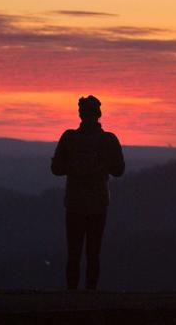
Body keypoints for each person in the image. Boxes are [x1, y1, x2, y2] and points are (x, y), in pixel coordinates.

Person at [51, 95, 125, 290]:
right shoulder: (108, 140)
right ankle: (90, 296)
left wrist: (75, 167)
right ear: (99, 114)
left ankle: (72, 296)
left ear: (80, 114)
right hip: (98, 204)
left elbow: (56, 168)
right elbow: (119, 170)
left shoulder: (69, 138)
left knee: (74, 253)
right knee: (93, 253)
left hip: (75, 204)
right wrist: (101, 166)